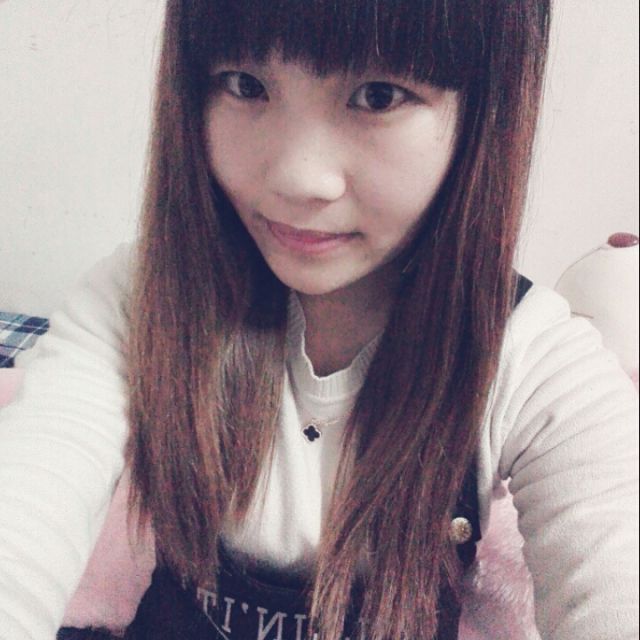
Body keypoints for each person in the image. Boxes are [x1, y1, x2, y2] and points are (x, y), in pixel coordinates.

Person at [0, 1, 638, 639]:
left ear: (481, 112)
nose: (297, 178)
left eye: (379, 95)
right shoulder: (145, 297)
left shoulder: (529, 355)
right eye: (245, 85)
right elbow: (31, 490)